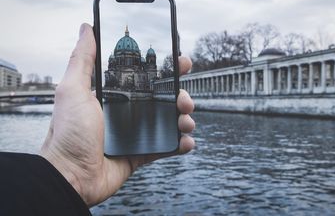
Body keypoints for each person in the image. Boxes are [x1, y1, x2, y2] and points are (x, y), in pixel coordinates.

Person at [0, 23, 196, 216]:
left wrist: (62, 174)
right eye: (150, 59)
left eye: (151, 59)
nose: (151, 61)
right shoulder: (128, 69)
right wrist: (66, 173)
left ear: (148, 60)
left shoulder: (140, 71)